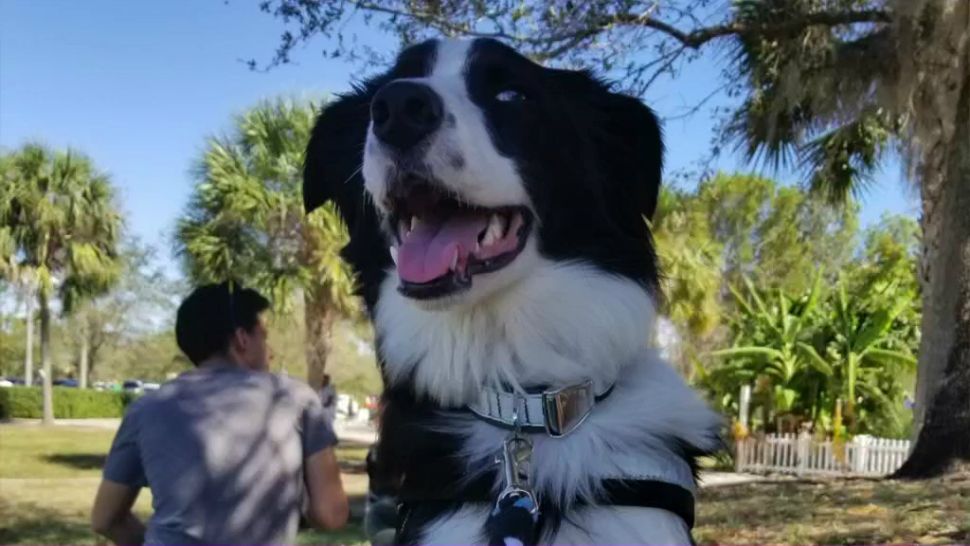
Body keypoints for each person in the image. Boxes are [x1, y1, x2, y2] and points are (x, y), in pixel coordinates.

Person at [90, 281, 348, 545]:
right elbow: (331, 514)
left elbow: (104, 519)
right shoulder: (293, 398)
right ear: (241, 339)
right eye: (263, 336)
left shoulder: (145, 409)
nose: (270, 352)